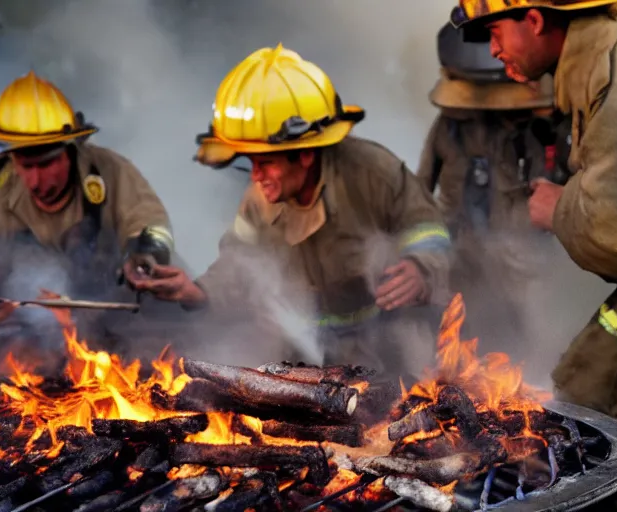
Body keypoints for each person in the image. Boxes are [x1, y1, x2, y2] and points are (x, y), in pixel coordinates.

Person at [451, 0, 617, 510]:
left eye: (494, 31)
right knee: (596, 391)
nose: (492, 49)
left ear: (533, 20)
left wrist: (559, 207)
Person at [125, 44, 452, 384]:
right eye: (249, 162)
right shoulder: (258, 203)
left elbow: (426, 226)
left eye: (265, 162)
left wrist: (420, 267)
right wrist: (196, 291)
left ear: (305, 154)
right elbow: (238, 266)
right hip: (305, 357)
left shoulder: (374, 172)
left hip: (389, 345)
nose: (255, 176)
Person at [0, 71, 173, 327]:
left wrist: (145, 257)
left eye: (46, 164)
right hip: (22, 326)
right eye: (25, 165)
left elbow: (150, 224)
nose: (35, 181)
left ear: (71, 148)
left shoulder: (108, 172)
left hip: (110, 321)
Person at [417, 21, 571, 359]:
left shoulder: (545, 128)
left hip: (521, 262)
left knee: (518, 346)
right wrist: (424, 258)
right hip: (459, 255)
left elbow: (575, 189)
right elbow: (419, 196)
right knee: (456, 342)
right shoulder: (450, 126)